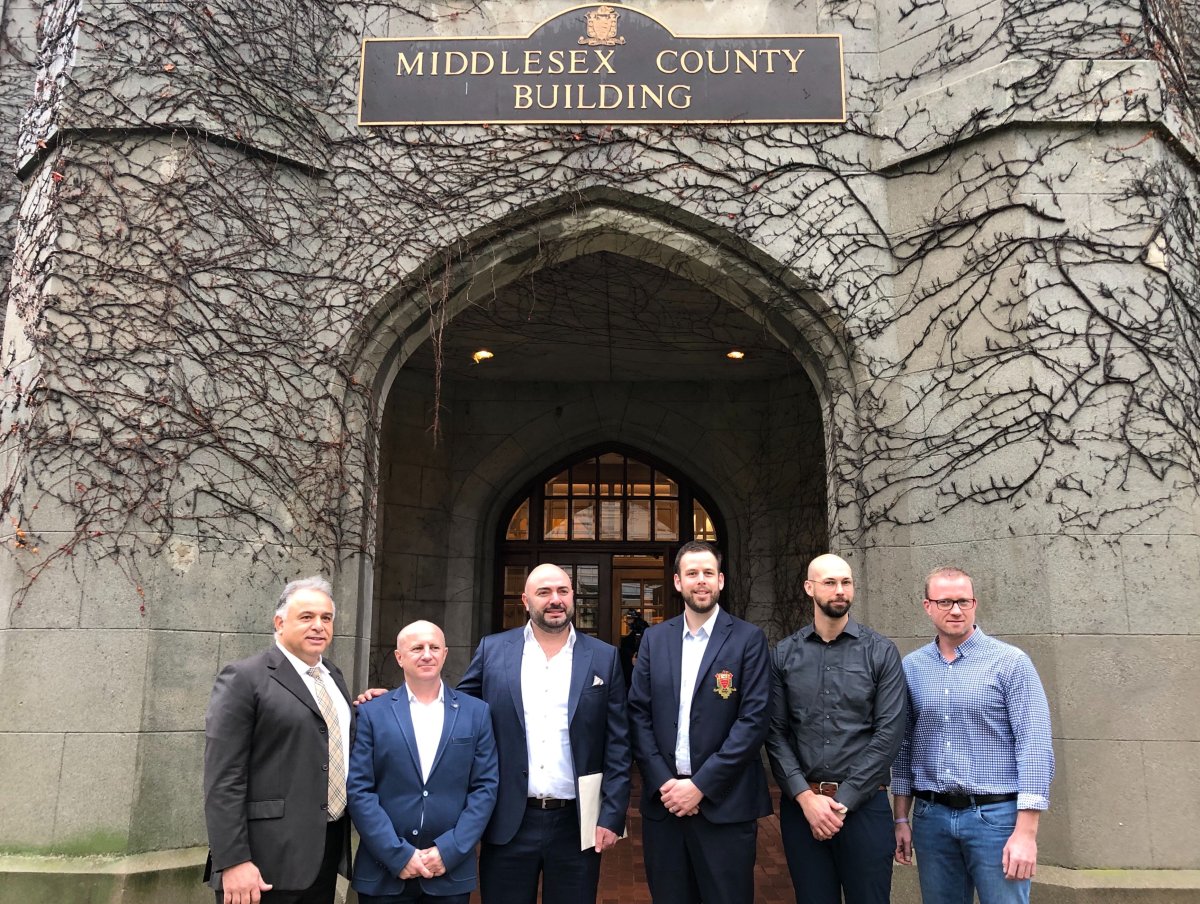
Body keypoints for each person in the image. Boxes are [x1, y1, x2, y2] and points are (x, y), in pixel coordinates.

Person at [457, 563, 631, 904]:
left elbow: (619, 744)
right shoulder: (493, 650)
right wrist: (392, 702)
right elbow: (456, 711)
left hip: (576, 823)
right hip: (508, 820)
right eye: (544, 592)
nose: (556, 600)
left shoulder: (604, 657)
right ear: (526, 600)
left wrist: (612, 815)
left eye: (563, 592)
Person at [892, 566, 1055, 904]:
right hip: (931, 819)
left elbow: (1034, 745)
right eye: (945, 601)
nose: (955, 610)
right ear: (927, 606)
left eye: (963, 601)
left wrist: (1026, 833)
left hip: (995, 820)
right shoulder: (912, 667)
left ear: (974, 603)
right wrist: (901, 817)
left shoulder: (1010, 663)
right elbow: (904, 746)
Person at [627, 540, 772, 904]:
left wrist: (700, 786)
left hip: (725, 807)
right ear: (678, 582)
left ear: (721, 580)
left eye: (708, 573)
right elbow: (638, 715)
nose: (701, 580)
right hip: (665, 808)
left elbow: (752, 722)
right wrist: (666, 784)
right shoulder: (654, 640)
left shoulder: (748, 639)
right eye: (692, 573)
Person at [765, 553, 907, 904]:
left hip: (865, 806)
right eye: (829, 582)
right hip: (803, 809)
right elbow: (775, 733)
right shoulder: (783, 655)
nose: (840, 590)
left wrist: (841, 802)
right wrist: (805, 798)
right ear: (809, 588)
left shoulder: (881, 653)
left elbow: (888, 735)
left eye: (846, 582)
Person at [203, 576, 353, 904]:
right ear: (279, 622)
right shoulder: (244, 678)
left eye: (326, 618)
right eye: (307, 617)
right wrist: (234, 861)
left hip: (323, 855)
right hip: (262, 862)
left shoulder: (334, 678)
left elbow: (321, 737)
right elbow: (223, 779)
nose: (319, 626)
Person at [347, 620, 499, 904]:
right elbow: (359, 790)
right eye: (417, 648)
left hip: (449, 873)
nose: (427, 654)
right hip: (382, 873)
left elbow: (485, 788)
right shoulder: (372, 713)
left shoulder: (476, 713)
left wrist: (450, 850)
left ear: (445, 653)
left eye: (434, 647)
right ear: (399, 657)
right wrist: (397, 853)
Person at [619, 609, 649, 692]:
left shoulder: (641, 628)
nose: (627, 621)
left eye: (629, 618)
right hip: (630, 659)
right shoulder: (630, 636)